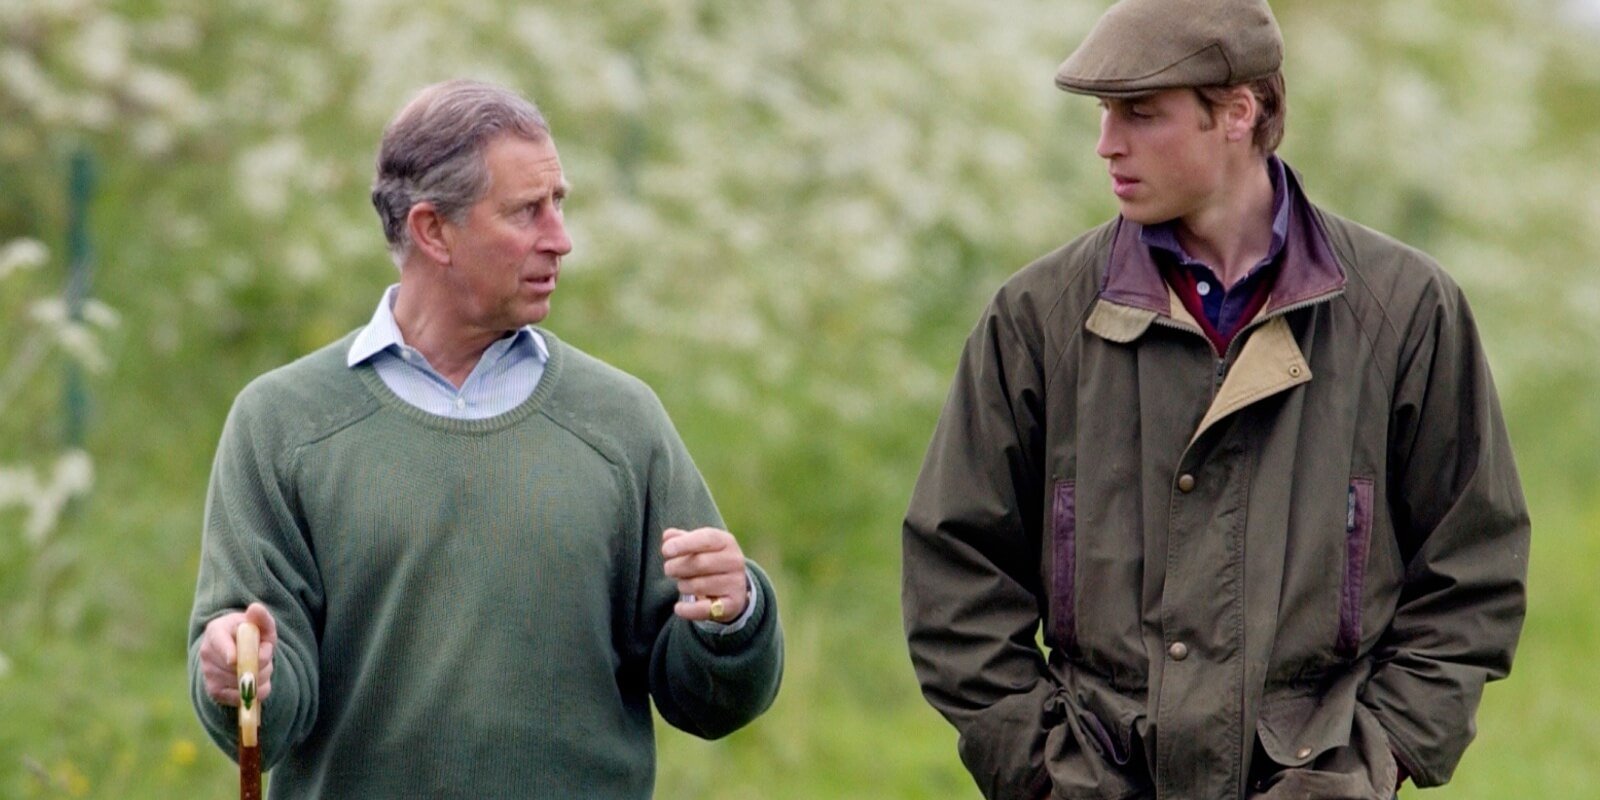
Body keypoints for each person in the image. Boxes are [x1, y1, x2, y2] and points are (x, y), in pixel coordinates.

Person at [900, 1, 1529, 798]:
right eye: (1104, 113)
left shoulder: (1404, 313)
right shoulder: (1039, 318)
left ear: (1238, 111)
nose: (1106, 144)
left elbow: (1472, 577)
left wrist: (1370, 764)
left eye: (1141, 114)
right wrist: (1044, 773)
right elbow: (956, 576)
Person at [187, 79, 783, 798]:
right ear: (433, 230)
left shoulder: (621, 422)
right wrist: (236, 681)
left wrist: (733, 615)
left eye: (559, 203)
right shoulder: (284, 425)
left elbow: (709, 703)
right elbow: (266, 724)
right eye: (527, 212)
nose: (560, 239)